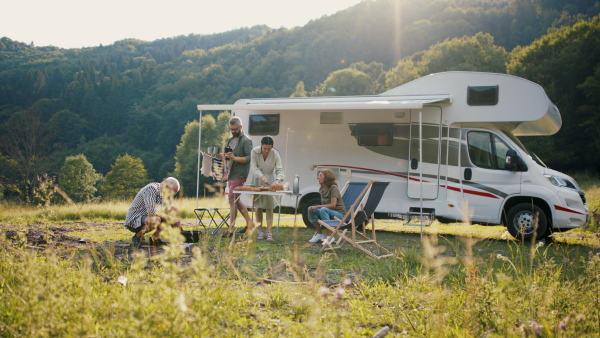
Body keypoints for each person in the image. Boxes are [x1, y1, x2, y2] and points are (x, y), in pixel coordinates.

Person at [125, 177, 182, 248]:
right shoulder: (151, 189)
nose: (172, 195)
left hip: (148, 217)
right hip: (134, 220)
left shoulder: (166, 195)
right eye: (172, 192)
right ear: (166, 186)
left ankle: (155, 238)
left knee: (173, 210)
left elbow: (164, 211)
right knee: (156, 219)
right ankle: (137, 238)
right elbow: (151, 211)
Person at [223, 116, 254, 236]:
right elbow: (228, 155)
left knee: (232, 198)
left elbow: (249, 158)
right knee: (235, 199)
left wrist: (234, 158)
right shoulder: (230, 140)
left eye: (235, 129)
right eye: (231, 129)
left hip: (240, 173)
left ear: (240, 127)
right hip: (231, 173)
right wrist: (220, 154)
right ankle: (250, 224)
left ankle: (231, 229)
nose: (233, 131)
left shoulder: (246, 141)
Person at [249, 136, 285, 240]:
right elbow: (253, 167)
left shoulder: (275, 153)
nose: (267, 150)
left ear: (272, 147)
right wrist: (261, 176)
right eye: (265, 148)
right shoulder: (254, 152)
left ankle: (269, 232)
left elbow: (279, 169)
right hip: (257, 180)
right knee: (258, 206)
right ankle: (260, 231)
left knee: (270, 206)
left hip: (271, 181)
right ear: (261, 145)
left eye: (269, 148)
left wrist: (277, 180)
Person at [307, 168, 346, 244]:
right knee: (310, 209)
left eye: (320, 176)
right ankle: (319, 234)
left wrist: (318, 206)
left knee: (323, 209)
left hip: (339, 215)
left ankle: (330, 236)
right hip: (329, 212)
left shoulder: (333, 188)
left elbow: (333, 205)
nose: (318, 178)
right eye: (318, 176)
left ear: (327, 177)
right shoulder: (321, 189)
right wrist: (316, 207)